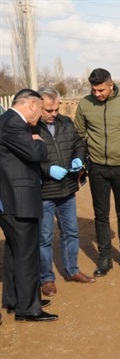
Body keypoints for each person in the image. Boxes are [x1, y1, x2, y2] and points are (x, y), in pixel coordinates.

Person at [74, 68, 120, 277]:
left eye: (100, 90)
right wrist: (81, 162)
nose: (97, 94)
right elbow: (78, 134)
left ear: (111, 84)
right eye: (94, 90)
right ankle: (105, 258)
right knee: (101, 215)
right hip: (97, 168)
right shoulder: (84, 104)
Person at [0, 89, 58, 322]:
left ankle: (17, 299)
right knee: (26, 253)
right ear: (32, 105)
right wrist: (39, 140)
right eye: (42, 109)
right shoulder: (14, 124)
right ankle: (28, 309)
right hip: (18, 199)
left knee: (15, 252)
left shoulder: (6, 121)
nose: (43, 115)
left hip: (12, 198)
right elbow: (36, 153)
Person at [37, 88, 95, 297]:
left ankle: (72, 270)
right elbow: (26, 159)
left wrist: (79, 159)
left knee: (71, 232)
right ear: (38, 107)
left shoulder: (66, 123)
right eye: (49, 110)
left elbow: (79, 143)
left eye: (56, 108)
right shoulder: (30, 127)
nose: (53, 113)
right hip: (44, 192)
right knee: (44, 238)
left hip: (67, 190)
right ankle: (47, 279)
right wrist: (46, 169)